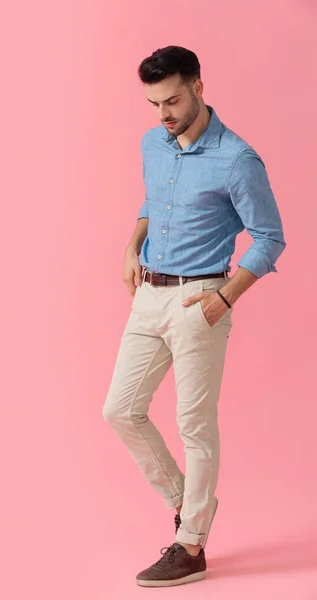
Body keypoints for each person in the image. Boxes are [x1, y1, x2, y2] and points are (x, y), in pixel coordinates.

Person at [102, 45, 286, 588]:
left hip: (198, 300)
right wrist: (130, 247)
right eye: (155, 102)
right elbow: (153, 201)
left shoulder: (237, 159)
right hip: (149, 295)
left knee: (193, 425)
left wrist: (224, 298)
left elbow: (270, 238)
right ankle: (189, 504)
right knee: (120, 410)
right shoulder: (152, 142)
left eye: (173, 100)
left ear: (199, 88)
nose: (163, 113)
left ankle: (192, 545)